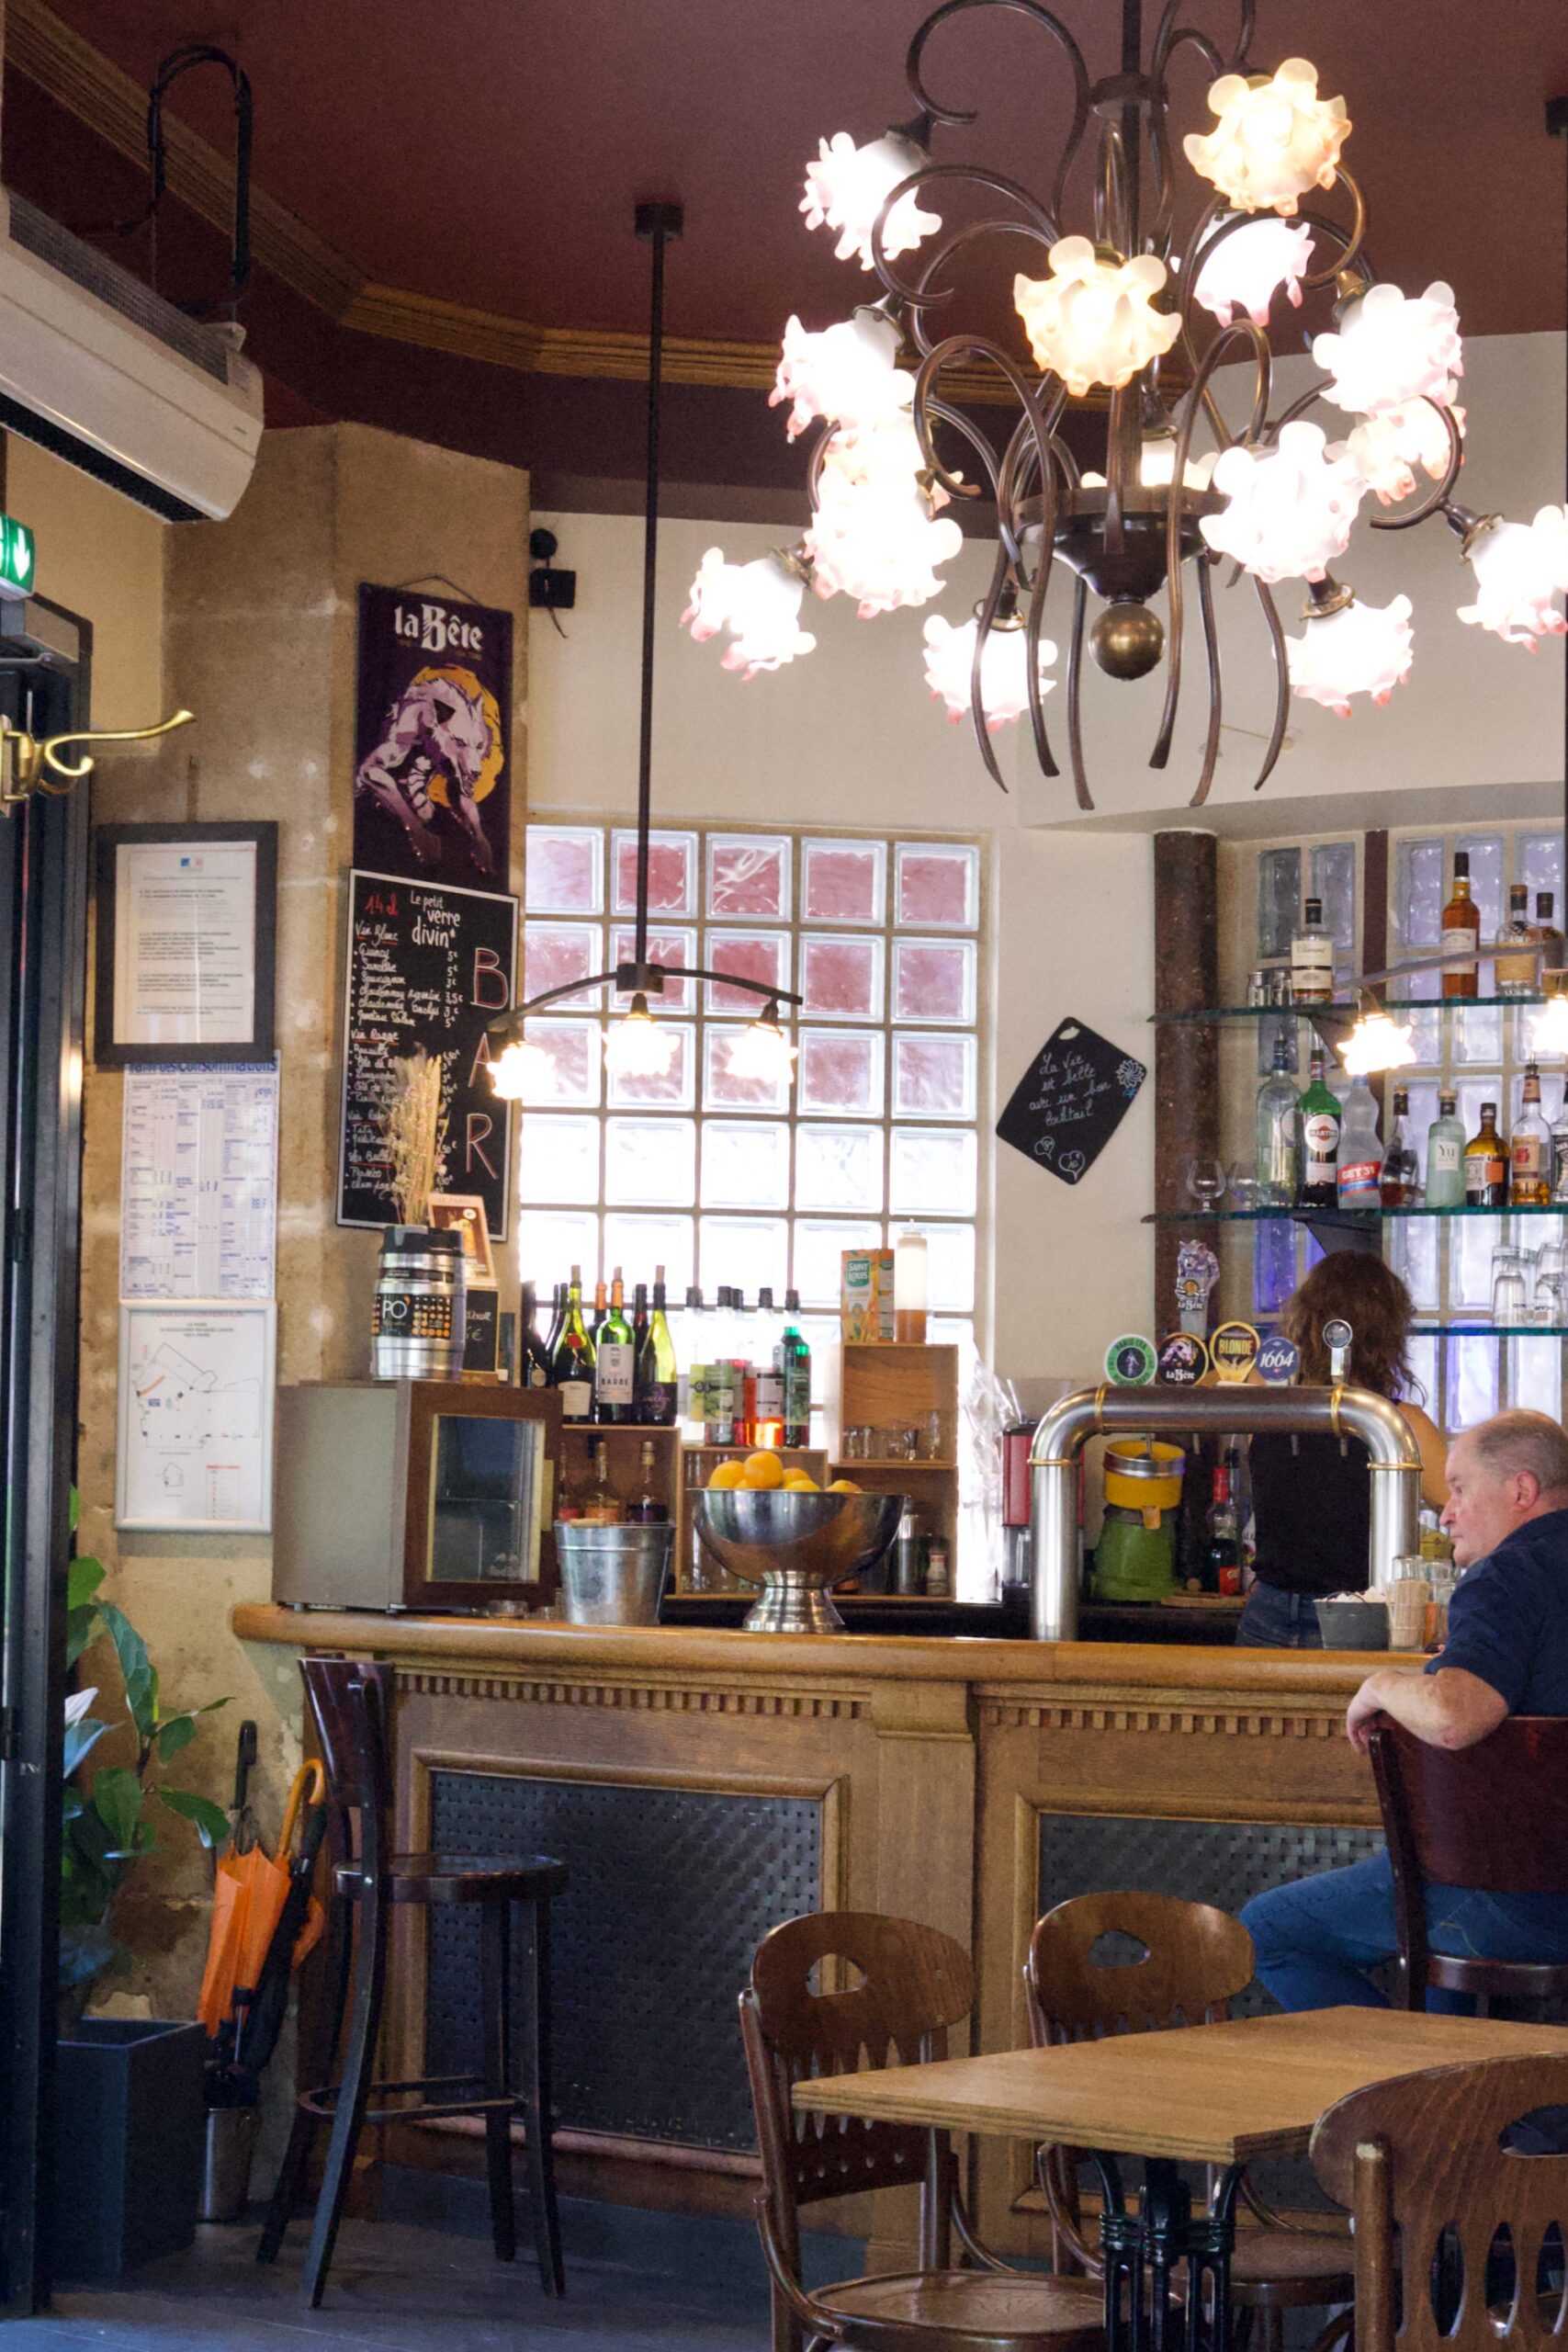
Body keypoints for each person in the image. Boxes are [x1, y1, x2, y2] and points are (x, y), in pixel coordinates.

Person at [1241, 1410, 1568, 2011]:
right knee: (1453, 1973)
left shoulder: (1504, 1576)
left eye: (1461, 1489)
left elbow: (1453, 1717)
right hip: (1531, 1895)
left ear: (1520, 1491)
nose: (1445, 1513)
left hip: (1511, 1904)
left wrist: (1381, 1685)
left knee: (1268, 1931)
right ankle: (1465, 2093)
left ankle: (1403, 2092)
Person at [1236, 1254, 1448, 1648]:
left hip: (1266, 1614)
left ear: (1303, 1322)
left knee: (1256, 1714)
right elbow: (1463, 1509)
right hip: (1358, 1617)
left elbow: (1210, 1382)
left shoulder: (1264, 1403)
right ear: (1386, 1334)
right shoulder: (1400, 1423)